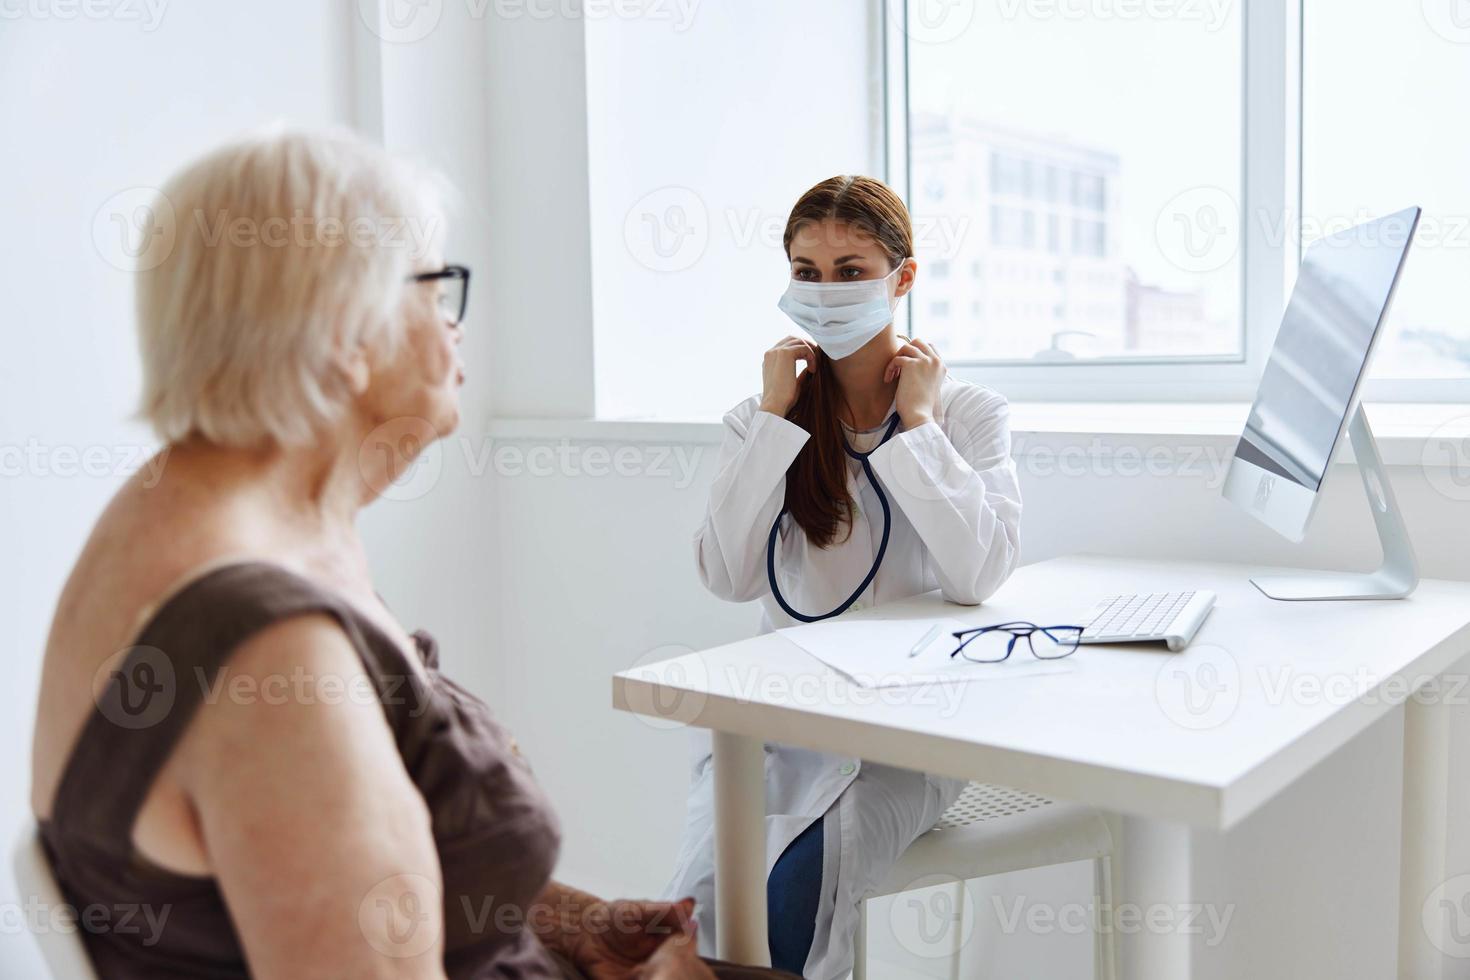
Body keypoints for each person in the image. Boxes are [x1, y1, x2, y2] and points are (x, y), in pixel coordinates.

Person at [29, 129, 795, 980]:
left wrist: (571, 921)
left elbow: (353, 857)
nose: (454, 328)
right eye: (435, 289)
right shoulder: (270, 649)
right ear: (343, 334)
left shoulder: (209, 512)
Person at [663, 175, 1023, 978]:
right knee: (693, 926)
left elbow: (980, 575)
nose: (827, 292)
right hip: (778, 731)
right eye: (808, 271)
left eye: (852, 270)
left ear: (903, 278)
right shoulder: (760, 417)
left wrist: (921, 428)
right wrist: (771, 422)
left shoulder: (969, 416)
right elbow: (725, 576)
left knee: (794, 908)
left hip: (907, 738)